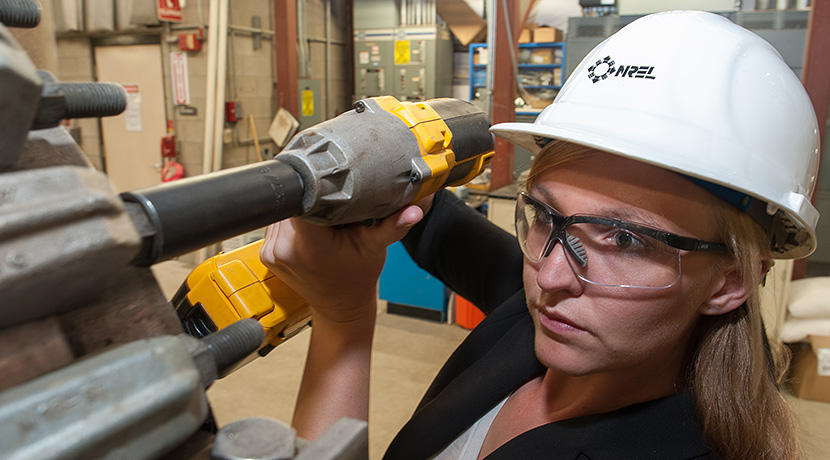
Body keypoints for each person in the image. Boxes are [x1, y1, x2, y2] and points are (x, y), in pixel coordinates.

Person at [260, 11, 820, 460]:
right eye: (548, 217)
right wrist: (371, 168)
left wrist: (344, 319)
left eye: (624, 240)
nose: (548, 278)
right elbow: (438, 225)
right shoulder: (547, 318)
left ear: (730, 281)